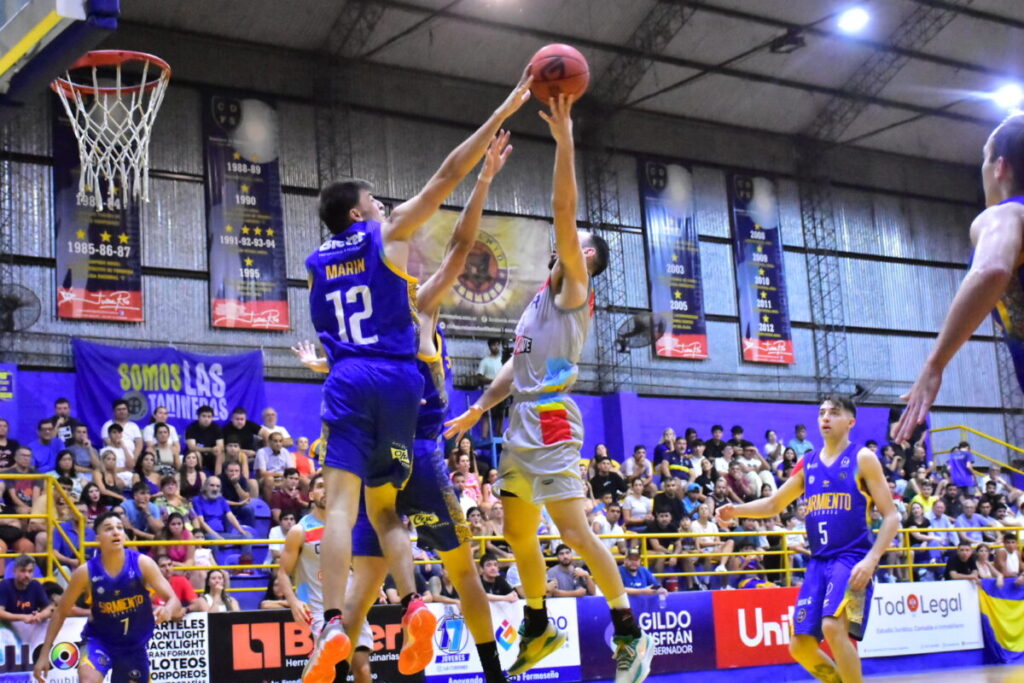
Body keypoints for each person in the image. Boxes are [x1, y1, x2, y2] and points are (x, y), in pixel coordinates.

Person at [295, 117, 524, 683]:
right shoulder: (417, 310)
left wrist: (329, 363)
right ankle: (434, 624)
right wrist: (484, 183)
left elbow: (456, 250)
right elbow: (463, 246)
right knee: (455, 567)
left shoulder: (407, 302)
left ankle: (360, 630)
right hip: (415, 446)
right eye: (374, 204)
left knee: (363, 567)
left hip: (366, 405)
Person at [445, 94, 653, 682]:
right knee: (514, 531)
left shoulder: (574, 290)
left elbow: (564, 209)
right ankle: (537, 626)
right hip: (519, 424)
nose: (569, 242)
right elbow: (516, 365)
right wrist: (479, 408)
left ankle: (629, 632)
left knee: (573, 531)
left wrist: (564, 143)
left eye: (578, 241)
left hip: (554, 420)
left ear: (585, 257)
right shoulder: (538, 306)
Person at [718, 395, 900, 683]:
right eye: (822, 413)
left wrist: (871, 560)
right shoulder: (808, 463)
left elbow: (892, 517)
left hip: (852, 559)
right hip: (818, 563)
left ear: (850, 422)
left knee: (832, 627)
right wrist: (735, 510)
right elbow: (773, 505)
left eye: (834, 413)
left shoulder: (862, 458)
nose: (825, 417)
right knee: (800, 647)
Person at [897, 114, 1024, 441]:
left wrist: (934, 364)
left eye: (984, 159)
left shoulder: (1008, 213)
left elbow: (991, 269)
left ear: (1000, 167)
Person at [32, 512, 180, 683]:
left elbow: (173, 599)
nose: (116, 532)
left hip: (134, 646)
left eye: (120, 528)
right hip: (99, 641)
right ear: (98, 538)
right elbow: (60, 612)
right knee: (88, 679)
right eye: (109, 529)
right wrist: (43, 655)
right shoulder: (85, 572)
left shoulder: (142, 563)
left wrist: (167, 610)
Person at [0, 555, 53, 640]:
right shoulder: (4, 585)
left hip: (31, 633)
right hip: (7, 632)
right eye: (23, 571)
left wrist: (41, 615)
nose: (27, 575)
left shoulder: (36, 585)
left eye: (30, 571)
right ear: (14, 571)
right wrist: (22, 617)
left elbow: (49, 608)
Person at [184, 405, 223, 475]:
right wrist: (210, 449)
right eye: (204, 416)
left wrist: (216, 449)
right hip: (197, 454)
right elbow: (192, 447)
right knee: (196, 453)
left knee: (220, 453)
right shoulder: (191, 428)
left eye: (209, 417)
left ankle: (218, 477)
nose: (206, 419)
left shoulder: (216, 428)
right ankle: (200, 475)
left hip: (212, 454)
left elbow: (220, 446)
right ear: (198, 417)